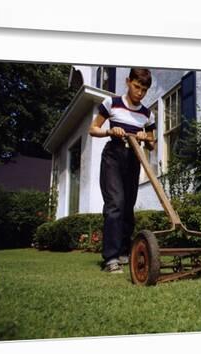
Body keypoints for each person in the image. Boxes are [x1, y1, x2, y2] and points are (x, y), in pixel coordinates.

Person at [89, 68, 156, 273]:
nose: (140, 93)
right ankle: (110, 258)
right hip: (113, 157)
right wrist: (110, 130)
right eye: (137, 87)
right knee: (115, 204)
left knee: (128, 207)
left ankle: (124, 252)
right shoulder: (112, 103)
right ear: (128, 82)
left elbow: (152, 143)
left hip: (134, 159)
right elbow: (93, 129)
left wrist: (146, 139)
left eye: (144, 90)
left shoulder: (147, 114)